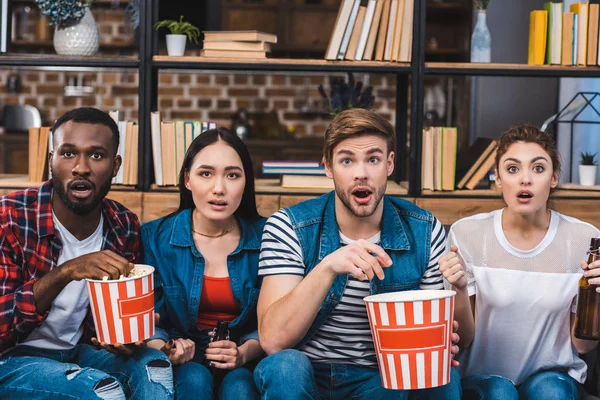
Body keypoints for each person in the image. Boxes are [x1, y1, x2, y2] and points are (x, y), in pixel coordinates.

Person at [254, 108, 462, 399]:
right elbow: (273, 340)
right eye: (347, 160)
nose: (361, 173)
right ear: (328, 167)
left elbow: (437, 333)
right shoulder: (289, 226)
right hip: (304, 372)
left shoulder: (425, 231)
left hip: (377, 377)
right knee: (286, 365)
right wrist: (327, 268)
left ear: (389, 164)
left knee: (435, 376)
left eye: (373, 159)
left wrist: (435, 342)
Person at [0, 107, 174, 399]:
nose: (81, 167)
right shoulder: (10, 217)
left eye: (96, 155)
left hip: (79, 353)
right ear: (51, 160)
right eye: (68, 153)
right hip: (12, 359)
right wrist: (67, 272)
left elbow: (108, 325)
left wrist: (124, 339)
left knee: (154, 367)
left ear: (115, 165)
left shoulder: (123, 225)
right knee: (101, 390)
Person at [439, 124, 600, 400]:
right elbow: (463, 339)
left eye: (538, 168)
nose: (525, 179)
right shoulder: (468, 234)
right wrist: (459, 288)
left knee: (551, 393)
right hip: (484, 377)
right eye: (512, 169)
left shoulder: (584, 238)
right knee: (500, 393)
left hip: (554, 376)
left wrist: (598, 295)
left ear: (554, 178)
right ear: (498, 179)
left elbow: (582, 346)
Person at [143, 127, 266, 399]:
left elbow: (276, 318)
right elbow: (148, 315)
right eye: (206, 173)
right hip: (183, 360)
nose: (219, 189)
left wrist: (244, 352)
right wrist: (167, 346)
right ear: (187, 179)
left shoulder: (268, 237)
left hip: (244, 359)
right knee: (195, 379)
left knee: (240, 388)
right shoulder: (154, 238)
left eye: (232, 175)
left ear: (246, 182)